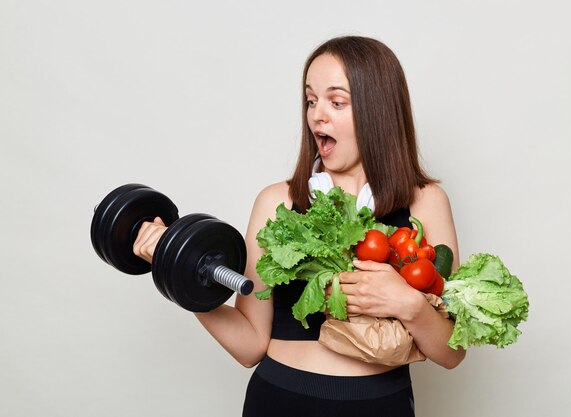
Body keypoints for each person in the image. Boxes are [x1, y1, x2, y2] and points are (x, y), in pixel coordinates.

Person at [133, 35, 465, 417]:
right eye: (311, 100)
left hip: (380, 405)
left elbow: (452, 353)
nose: (316, 116)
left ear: (378, 111)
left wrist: (408, 304)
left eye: (336, 102)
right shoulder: (276, 201)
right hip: (280, 399)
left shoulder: (427, 203)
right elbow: (248, 346)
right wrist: (178, 270)